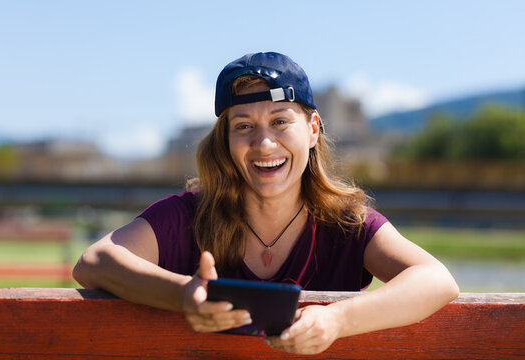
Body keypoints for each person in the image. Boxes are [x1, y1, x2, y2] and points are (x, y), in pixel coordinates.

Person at [73, 51, 459, 355]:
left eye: (279, 122)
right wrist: (185, 296)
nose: (263, 143)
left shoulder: (349, 224)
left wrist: (337, 320)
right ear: (225, 140)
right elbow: (94, 261)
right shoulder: (186, 215)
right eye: (243, 126)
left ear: (311, 129)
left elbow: (436, 280)